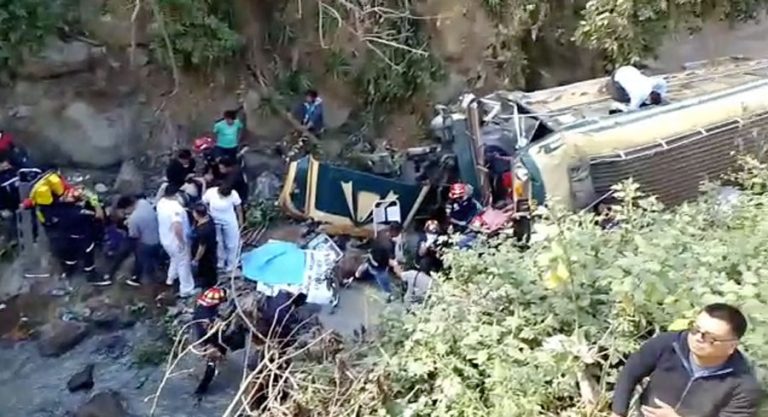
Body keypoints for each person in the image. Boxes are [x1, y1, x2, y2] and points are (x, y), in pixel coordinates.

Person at [611, 303, 763, 417]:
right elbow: (631, 371)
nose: (698, 338)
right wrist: (618, 411)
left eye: (709, 337)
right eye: (696, 329)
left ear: (732, 346)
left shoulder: (743, 386)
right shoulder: (668, 344)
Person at [45, 188, 110, 286]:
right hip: (81, 241)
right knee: (88, 255)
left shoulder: (57, 210)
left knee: (69, 260)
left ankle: (68, 276)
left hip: (63, 240)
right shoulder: (81, 212)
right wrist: (95, 203)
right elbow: (99, 216)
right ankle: (91, 276)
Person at [113, 195, 162, 287]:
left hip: (147, 243)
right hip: (158, 237)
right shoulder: (144, 203)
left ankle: (138, 278)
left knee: (140, 256)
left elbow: (134, 235)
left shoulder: (134, 218)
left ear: (128, 207)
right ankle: (157, 271)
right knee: (154, 259)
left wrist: (128, 224)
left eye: (125, 211)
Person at [156, 185, 195, 297]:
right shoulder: (175, 208)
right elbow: (177, 226)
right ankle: (186, 289)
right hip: (176, 241)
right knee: (184, 263)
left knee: (174, 258)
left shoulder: (161, 203)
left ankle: (170, 278)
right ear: (176, 194)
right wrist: (182, 241)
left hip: (165, 239)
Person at [350, 224, 402, 302]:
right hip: (379, 267)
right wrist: (395, 265)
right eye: (398, 233)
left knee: (364, 269)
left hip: (371, 259)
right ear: (394, 231)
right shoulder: (388, 245)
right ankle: (388, 295)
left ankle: (353, 278)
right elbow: (389, 260)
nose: (398, 235)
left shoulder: (381, 232)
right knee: (384, 282)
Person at [202, 185, 243, 274]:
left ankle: (232, 265)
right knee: (218, 242)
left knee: (232, 243)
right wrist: (208, 212)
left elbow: (239, 209)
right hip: (215, 220)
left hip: (229, 221)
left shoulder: (233, 194)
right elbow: (204, 202)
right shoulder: (211, 192)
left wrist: (240, 222)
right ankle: (220, 263)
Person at [191, 203, 218, 290]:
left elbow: (202, 247)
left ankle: (209, 286)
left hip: (206, 255)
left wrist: (196, 259)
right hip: (210, 251)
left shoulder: (204, 230)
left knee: (207, 270)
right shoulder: (208, 219)